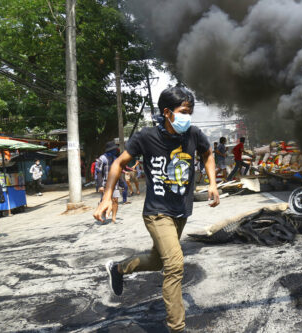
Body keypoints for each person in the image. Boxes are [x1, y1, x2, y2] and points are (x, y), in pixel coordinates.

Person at [93, 86, 220, 333]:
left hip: (180, 211)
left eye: (190, 111)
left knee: (156, 260)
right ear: (167, 112)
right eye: (184, 111)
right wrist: (107, 196)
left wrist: (213, 183)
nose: (188, 116)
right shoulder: (146, 136)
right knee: (174, 264)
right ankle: (177, 328)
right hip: (156, 211)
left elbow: (208, 153)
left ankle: (118, 269)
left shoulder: (193, 134)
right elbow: (119, 163)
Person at [96, 141, 121, 223]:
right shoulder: (102, 159)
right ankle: (103, 216)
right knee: (104, 200)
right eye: (112, 150)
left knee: (115, 200)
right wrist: (100, 185)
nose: (114, 151)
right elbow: (98, 172)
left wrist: (122, 183)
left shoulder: (115, 159)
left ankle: (114, 217)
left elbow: (118, 172)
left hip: (115, 184)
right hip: (105, 184)